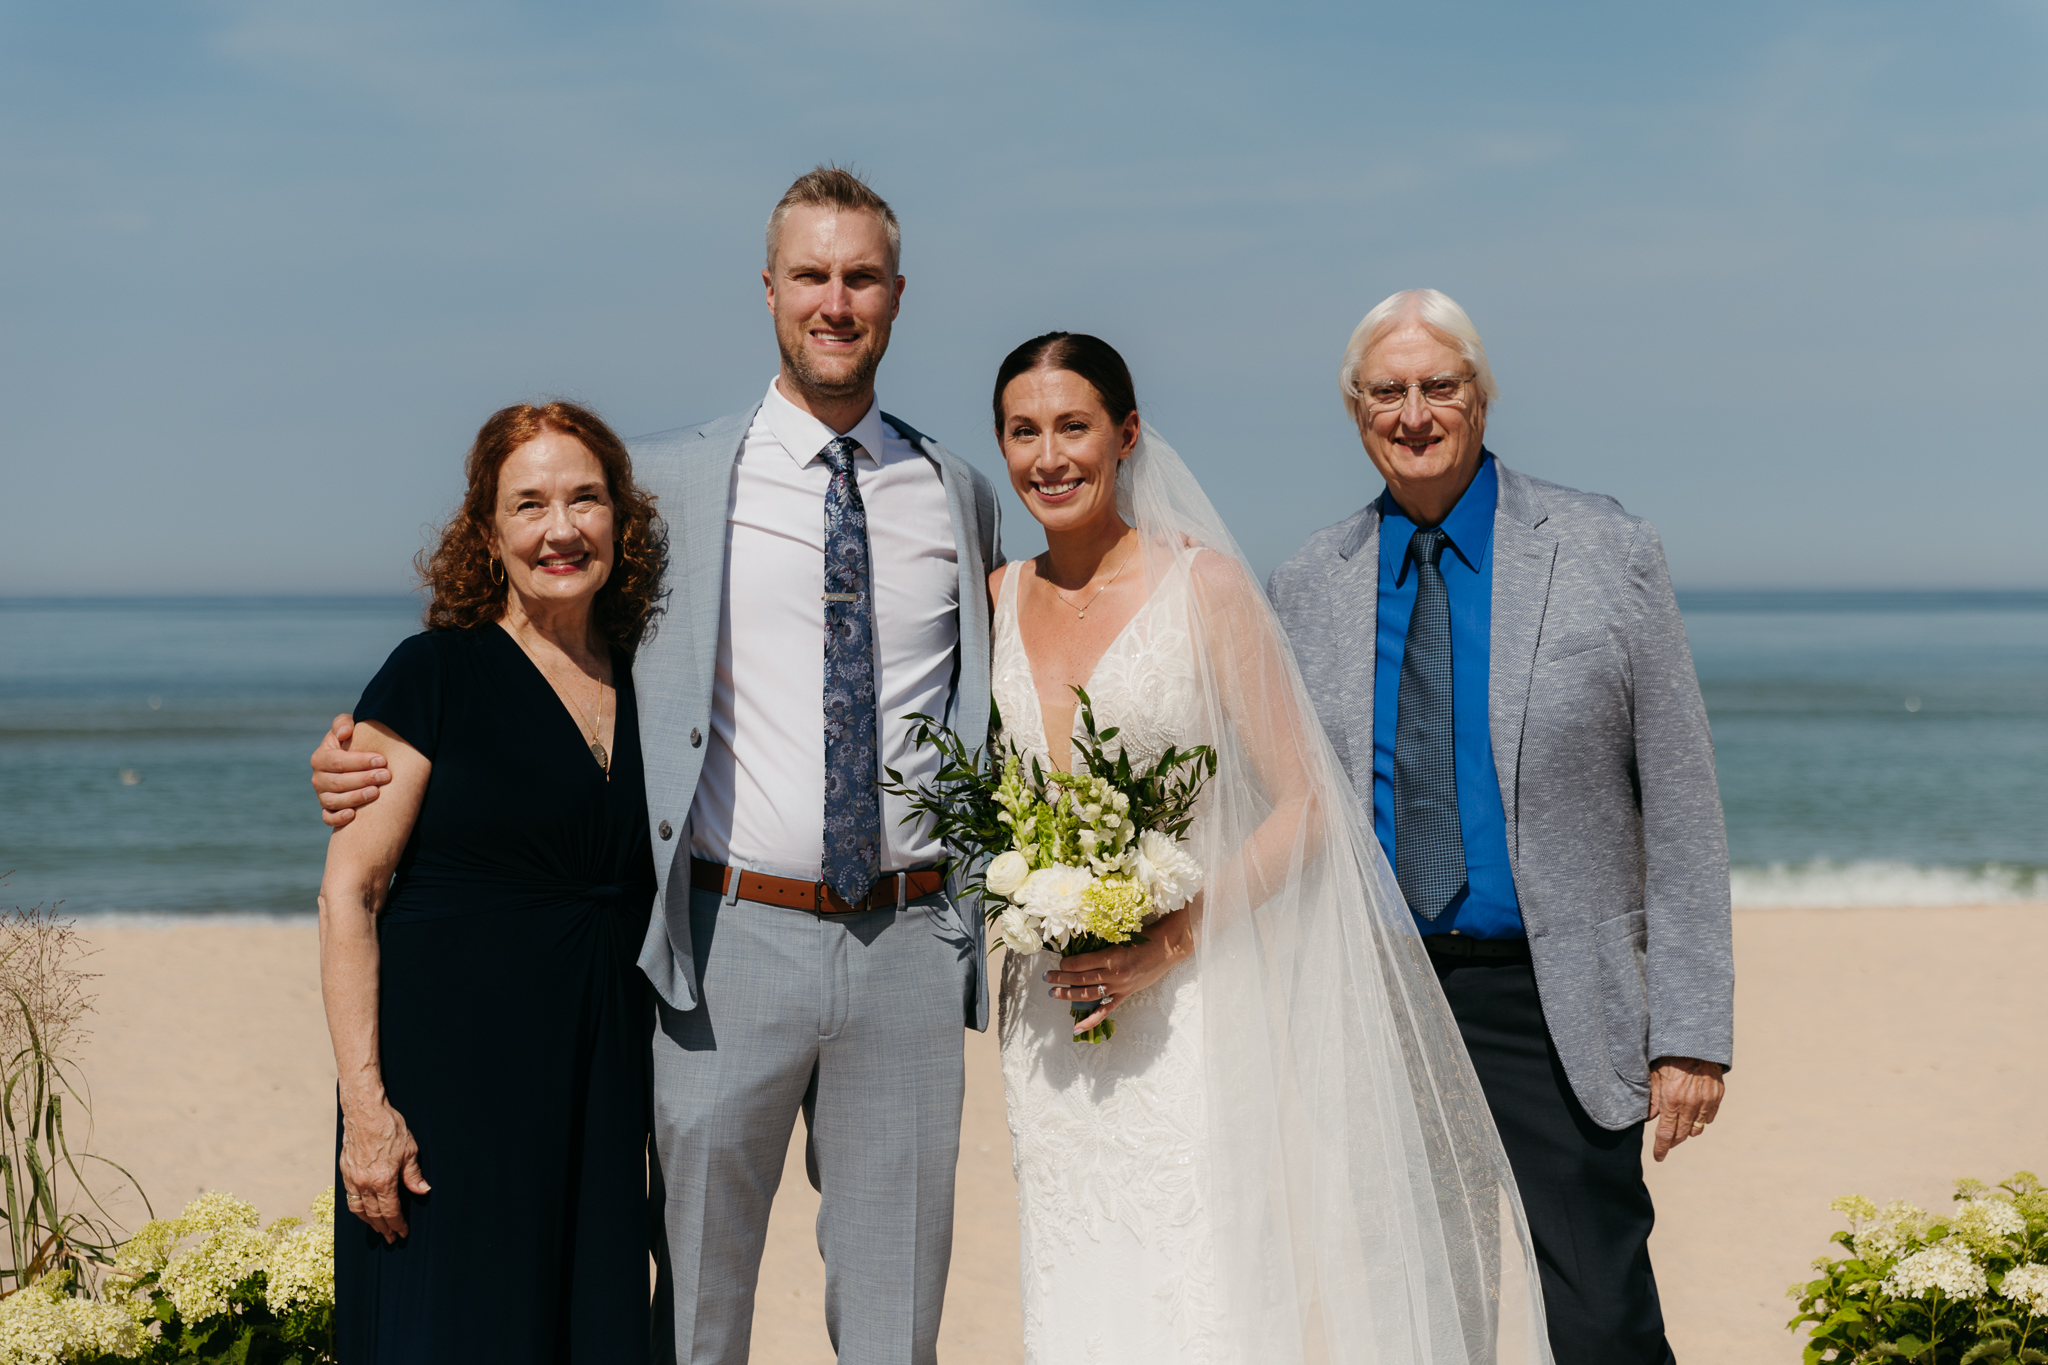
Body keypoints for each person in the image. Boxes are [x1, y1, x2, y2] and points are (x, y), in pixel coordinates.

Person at [312, 167, 1002, 1365]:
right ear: (769, 291)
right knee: (689, 1315)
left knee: (897, 1322)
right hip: (724, 948)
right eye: (809, 276)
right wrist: (357, 750)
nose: (834, 301)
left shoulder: (957, 495)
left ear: (896, 294)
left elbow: (1004, 694)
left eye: (859, 277)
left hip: (910, 943)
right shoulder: (667, 485)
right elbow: (532, 625)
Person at [988, 332, 1554, 1364]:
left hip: (1189, 1009)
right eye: (1022, 433)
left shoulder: (1199, 589)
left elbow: (1303, 805)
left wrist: (1168, 939)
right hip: (1051, 1016)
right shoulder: (995, 597)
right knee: (1075, 1277)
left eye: (1073, 427)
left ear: (1125, 437)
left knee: (1198, 1283)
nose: (1048, 457)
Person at [1268, 289, 1734, 1365]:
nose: (1413, 412)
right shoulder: (1306, 584)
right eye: (1387, 392)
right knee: (1419, 1317)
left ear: (1480, 399)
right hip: (1381, 1001)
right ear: (1354, 412)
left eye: (1439, 386)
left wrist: (1690, 1034)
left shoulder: (1603, 549)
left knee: (1598, 1315)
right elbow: (1288, 811)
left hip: (1551, 1001)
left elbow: (1679, 797)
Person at [316, 401, 664, 1362]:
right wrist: (366, 1110)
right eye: (531, 504)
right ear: (487, 529)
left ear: (619, 520)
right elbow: (349, 893)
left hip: (602, 1089)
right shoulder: (434, 673)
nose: (562, 529)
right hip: (451, 1100)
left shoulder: (651, 682)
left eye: (586, 498)